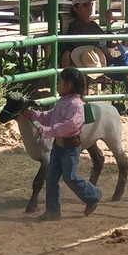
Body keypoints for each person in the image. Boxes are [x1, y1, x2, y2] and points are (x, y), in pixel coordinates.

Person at [22, 66, 102, 220]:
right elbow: (51, 116)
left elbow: (70, 125)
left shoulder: (76, 104)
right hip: (59, 146)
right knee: (51, 176)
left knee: (69, 177)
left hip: (70, 147)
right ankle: (53, 210)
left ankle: (93, 195)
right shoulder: (63, 101)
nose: (58, 84)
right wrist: (35, 115)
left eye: (60, 81)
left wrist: (48, 131)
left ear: (69, 85)